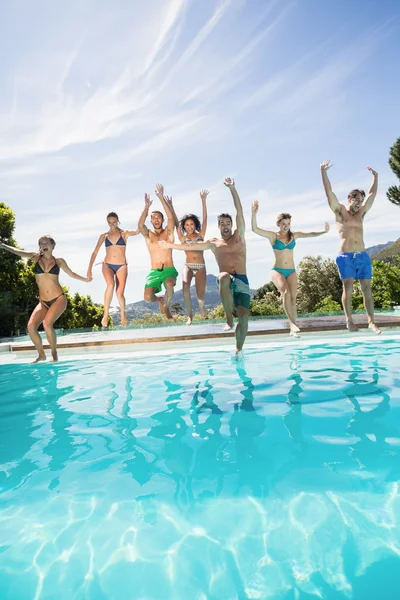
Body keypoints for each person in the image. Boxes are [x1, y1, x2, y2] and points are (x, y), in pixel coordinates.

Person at [160, 177, 249, 358]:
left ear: (232, 225)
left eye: (227, 223)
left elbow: (239, 211)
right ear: (218, 226)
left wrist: (232, 189)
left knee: (245, 318)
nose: (225, 226)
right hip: (226, 278)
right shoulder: (213, 243)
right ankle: (228, 319)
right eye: (222, 223)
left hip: (242, 279)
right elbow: (191, 246)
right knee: (223, 276)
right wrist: (171, 246)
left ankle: (238, 348)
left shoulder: (240, 236)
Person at [0, 235, 90, 362]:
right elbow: (17, 252)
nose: (43, 245)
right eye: (41, 243)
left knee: (47, 324)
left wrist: (85, 280)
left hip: (58, 299)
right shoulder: (35, 258)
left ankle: (54, 355)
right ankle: (41, 354)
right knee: (31, 327)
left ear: (53, 245)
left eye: (46, 243)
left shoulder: (59, 261)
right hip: (43, 302)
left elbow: (72, 274)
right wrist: (3, 245)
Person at [251, 202, 329, 336]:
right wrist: (254, 214)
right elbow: (255, 229)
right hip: (277, 270)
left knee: (293, 298)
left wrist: (324, 231)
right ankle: (291, 324)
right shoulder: (273, 236)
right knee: (285, 293)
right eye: (283, 224)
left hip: (291, 271)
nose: (286, 226)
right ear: (278, 224)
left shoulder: (294, 235)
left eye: (288, 224)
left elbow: (310, 234)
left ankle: (294, 326)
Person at [321, 160, 380, 334]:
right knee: (348, 287)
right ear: (349, 199)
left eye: (361, 201)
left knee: (367, 288)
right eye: (357, 200)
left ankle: (371, 322)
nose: (360, 203)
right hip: (345, 256)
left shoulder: (361, 213)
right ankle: (349, 321)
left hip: (362, 255)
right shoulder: (340, 211)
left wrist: (375, 177)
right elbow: (328, 193)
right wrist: (323, 172)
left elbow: (372, 195)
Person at [87, 212, 139, 327]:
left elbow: (137, 231)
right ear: (107, 223)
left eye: (114, 222)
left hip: (121, 266)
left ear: (118, 221)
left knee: (119, 293)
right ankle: (105, 314)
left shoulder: (124, 233)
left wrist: (145, 210)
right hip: (107, 265)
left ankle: (122, 314)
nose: (112, 224)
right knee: (110, 285)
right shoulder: (104, 236)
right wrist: (89, 269)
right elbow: (95, 252)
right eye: (110, 223)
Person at [165, 190, 209, 324]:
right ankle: (190, 316)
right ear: (184, 226)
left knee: (200, 294)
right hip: (188, 266)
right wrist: (171, 206)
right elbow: (176, 223)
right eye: (187, 225)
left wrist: (203, 200)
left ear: (195, 224)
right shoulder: (182, 238)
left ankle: (202, 308)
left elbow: (205, 218)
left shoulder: (201, 235)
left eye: (191, 224)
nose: (189, 227)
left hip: (200, 266)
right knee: (185, 288)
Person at [138, 184, 178, 320]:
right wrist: (146, 207)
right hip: (154, 271)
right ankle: (160, 300)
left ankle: (166, 306)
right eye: (153, 218)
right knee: (148, 298)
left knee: (169, 284)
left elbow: (171, 218)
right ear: (151, 220)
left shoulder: (168, 232)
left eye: (158, 217)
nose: (156, 219)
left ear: (162, 220)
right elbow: (140, 226)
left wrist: (161, 197)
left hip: (168, 269)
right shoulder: (149, 235)